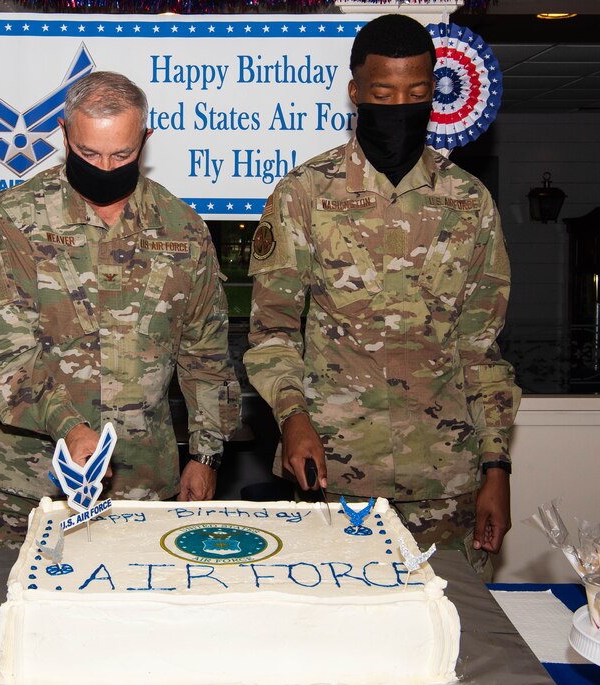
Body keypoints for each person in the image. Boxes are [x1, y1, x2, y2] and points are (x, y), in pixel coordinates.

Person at [243, 14, 520, 579]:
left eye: (416, 93)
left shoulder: (468, 202)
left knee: (450, 640)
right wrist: (291, 416)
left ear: (434, 92)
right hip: (331, 471)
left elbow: (481, 351)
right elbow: (272, 331)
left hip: (446, 479)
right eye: (383, 93)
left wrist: (496, 467)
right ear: (355, 92)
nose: (400, 105)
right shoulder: (304, 194)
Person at [0, 71, 240, 555]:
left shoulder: (182, 228)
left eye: (122, 154)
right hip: (20, 485)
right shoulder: (12, 219)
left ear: (145, 142)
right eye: (89, 154)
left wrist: (207, 453)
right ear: (64, 134)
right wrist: (69, 425)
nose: (105, 168)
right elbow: (3, 355)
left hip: (140, 486)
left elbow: (205, 354)